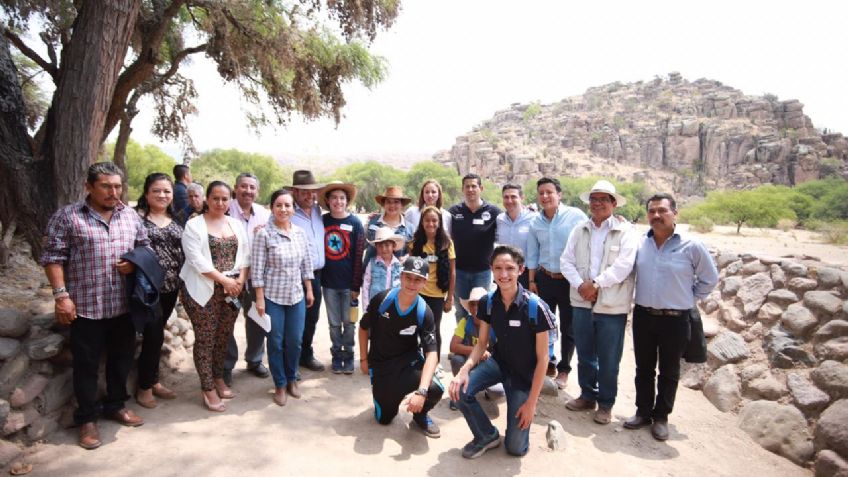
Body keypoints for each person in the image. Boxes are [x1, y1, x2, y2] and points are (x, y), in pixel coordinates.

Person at [40, 162, 149, 449]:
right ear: (89, 187)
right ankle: (87, 419)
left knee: (121, 359)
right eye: (106, 186)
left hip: (123, 306)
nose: (114, 192)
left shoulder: (131, 217)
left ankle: (116, 405)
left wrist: (134, 263)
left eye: (117, 186)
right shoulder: (68, 217)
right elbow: (53, 257)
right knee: (86, 365)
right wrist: (61, 296)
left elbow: (145, 248)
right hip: (85, 307)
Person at [624, 193, 718, 441]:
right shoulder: (640, 244)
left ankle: (661, 417)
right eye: (652, 211)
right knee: (643, 368)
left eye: (662, 211)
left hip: (676, 319)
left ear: (674, 213)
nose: (656, 215)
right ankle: (642, 412)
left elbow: (710, 279)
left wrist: (687, 299)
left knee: (669, 370)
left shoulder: (692, 245)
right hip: (644, 315)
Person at [449, 245, 555, 459]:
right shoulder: (487, 302)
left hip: (523, 375)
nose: (503, 274)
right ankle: (487, 435)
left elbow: (543, 358)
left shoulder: (535, 307)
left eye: (509, 268)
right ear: (491, 270)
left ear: (521, 270)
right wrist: (465, 369)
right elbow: (482, 344)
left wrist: (531, 404)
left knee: (515, 449)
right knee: (460, 389)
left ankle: (519, 423)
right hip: (498, 364)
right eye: (498, 268)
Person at [560, 180, 638, 424]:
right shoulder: (580, 229)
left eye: (604, 199)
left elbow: (624, 266)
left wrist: (595, 284)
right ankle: (587, 395)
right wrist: (581, 285)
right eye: (594, 199)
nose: (598, 203)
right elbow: (566, 261)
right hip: (582, 302)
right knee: (585, 353)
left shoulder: (626, 232)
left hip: (611, 305)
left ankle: (605, 403)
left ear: (614, 203)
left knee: (609, 358)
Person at [180, 181, 250, 412]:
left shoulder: (236, 224)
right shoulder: (194, 225)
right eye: (215, 198)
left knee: (223, 337)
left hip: (231, 290)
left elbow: (245, 256)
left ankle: (218, 377)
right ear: (206, 200)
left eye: (224, 198)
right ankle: (207, 387)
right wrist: (225, 280)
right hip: (202, 290)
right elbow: (196, 260)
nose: (220, 203)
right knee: (206, 338)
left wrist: (239, 280)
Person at [358, 256, 444, 438]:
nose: (412, 283)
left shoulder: (424, 311)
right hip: (381, 366)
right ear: (401, 276)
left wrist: (421, 392)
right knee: (384, 419)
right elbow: (363, 328)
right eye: (408, 277)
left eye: (418, 279)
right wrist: (364, 359)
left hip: (408, 364)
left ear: (424, 282)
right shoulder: (383, 300)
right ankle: (389, 398)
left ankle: (420, 415)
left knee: (435, 388)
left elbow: (432, 354)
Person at [252, 189, 315, 406]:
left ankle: (292, 378)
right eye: (279, 205)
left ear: (293, 208)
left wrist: (309, 289)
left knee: (295, 341)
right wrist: (259, 298)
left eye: (287, 205)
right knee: (276, 342)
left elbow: (306, 263)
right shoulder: (264, 235)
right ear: (272, 208)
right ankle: (279, 383)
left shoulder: (299, 233)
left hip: (296, 295)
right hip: (272, 297)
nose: (283, 209)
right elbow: (257, 270)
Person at [527, 176, 587, 388]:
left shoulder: (576, 216)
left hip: (569, 280)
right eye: (541, 193)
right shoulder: (535, 221)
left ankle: (564, 369)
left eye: (549, 192)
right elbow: (532, 253)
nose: (545, 196)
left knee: (569, 326)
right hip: (544, 278)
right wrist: (532, 280)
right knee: (544, 325)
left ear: (559, 194)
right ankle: (548, 362)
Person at [133, 173, 184, 409]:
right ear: (146, 193)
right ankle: (144, 387)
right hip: (148, 289)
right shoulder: (136, 220)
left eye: (167, 191)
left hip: (171, 287)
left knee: (158, 335)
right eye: (157, 191)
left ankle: (153, 380)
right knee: (153, 336)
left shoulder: (176, 219)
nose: (162, 195)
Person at [224, 172, 271, 384]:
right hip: (230, 279)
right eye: (244, 186)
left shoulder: (263, 213)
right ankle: (226, 365)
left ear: (257, 191)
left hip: (255, 278)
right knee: (226, 321)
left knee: (257, 321)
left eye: (252, 188)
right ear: (235, 188)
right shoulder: (225, 208)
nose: (248, 191)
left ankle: (254, 360)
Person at [320, 181, 366, 374]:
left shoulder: (355, 223)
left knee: (349, 323)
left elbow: (358, 255)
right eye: (334, 198)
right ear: (328, 201)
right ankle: (336, 354)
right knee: (333, 323)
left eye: (342, 198)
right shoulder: (322, 221)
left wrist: (356, 284)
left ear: (347, 201)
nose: (338, 201)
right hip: (328, 283)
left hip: (349, 284)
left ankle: (348, 355)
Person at [449, 174, 502, 325]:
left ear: (481, 188)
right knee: (460, 310)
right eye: (467, 186)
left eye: (474, 186)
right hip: (459, 271)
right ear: (462, 189)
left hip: (483, 271)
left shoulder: (494, 212)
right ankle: (463, 341)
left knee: (482, 308)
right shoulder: (453, 212)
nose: (471, 189)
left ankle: (481, 342)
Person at [290, 170, 327, 372]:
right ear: (295, 192)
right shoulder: (288, 212)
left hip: (317, 275)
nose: (310, 195)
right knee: (296, 319)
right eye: (305, 192)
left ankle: (306, 354)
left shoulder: (317, 211)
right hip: (296, 275)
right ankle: (292, 359)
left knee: (312, 317)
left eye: (313, 192)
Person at [407, 205, 456, 362]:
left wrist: (450, 298)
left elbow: (452, 272)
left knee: (433, 329)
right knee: (415, 328)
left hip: (437, 294)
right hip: (417, 293)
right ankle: (416, 360)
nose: (431, 224)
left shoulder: (447, 243)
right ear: (422, 222)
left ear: (440, 222)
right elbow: (408, 270)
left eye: (434, 220)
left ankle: (434, 362)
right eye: (427, 220)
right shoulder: (415, 243)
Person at [495, 184, 537, 288]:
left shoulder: (534, 218)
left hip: (527, 272)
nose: (509, 201)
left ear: (522, 198)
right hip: (504, 272)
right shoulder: (499, 219)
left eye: (513, 197)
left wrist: (532, 280)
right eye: (506, 197)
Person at [364, 186, 413, 264]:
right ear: (384, 204)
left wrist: (407, 258)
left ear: (401, 204)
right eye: (388, 202)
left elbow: (412, 252)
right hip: (370, 274)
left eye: (396, 202)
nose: (392, 205)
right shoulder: (372, 221)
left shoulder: (409, 228)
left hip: (397, 274)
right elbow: (361, 246)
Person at [362, 227, 403, 304]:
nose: (384, 249)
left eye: (387, 245)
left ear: (393, 246)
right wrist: (366, 308)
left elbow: (401, 287)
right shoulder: (372, 263)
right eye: (380, 246)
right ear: (376, 247)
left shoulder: (398, 265)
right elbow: (366, 286)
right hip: (375, 304)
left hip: (392, 305)